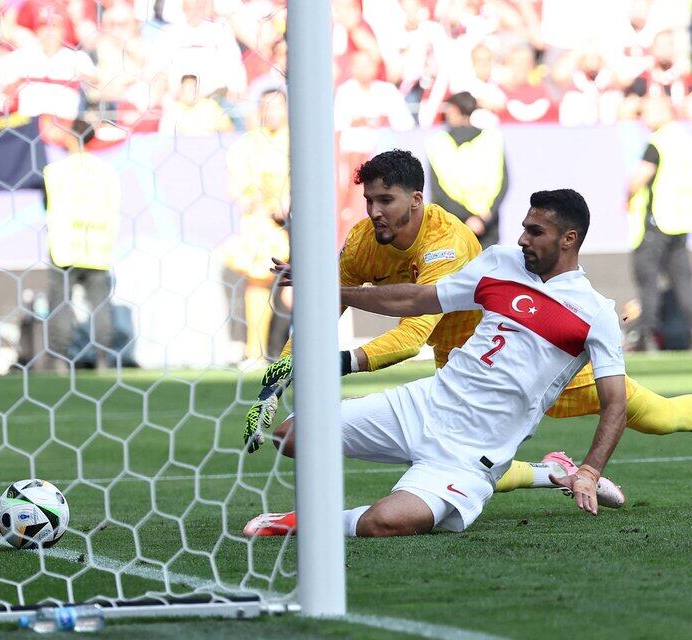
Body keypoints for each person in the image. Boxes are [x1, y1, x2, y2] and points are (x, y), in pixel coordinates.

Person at [244, 150, 692, 504]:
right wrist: (276, 381)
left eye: (384, 200)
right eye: (367, 200)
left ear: (416, 200)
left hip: (544, 364)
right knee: (469, 461)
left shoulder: (450, 246)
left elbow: (414, 323)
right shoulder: (370, 239)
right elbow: (327, 307)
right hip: (469, 372)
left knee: (658, 415)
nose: (372, 212)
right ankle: (551, 474)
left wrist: (340, 362)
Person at [245, 188, 629, 538]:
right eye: (524, 228)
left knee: (385, 522)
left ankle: (304, 524)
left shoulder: (595, 314)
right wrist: (329, 287)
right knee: (291, 436)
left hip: (471, 450)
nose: (522, 239)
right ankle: (550, 472)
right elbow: (414, 300)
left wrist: (591, 471)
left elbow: (615, 403)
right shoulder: (499, 264)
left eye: (535, 232)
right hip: (426, 404)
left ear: (569, 239)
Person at [626, 95, 692, 352]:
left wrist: (627, 195)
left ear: (663, 111)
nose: (643, 118)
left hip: (657, 220)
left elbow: (640, 178)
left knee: (647, 280)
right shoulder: (683, 139)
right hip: (682, 220)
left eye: (647, 112)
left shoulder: (657, 142)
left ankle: (646, 337)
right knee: (683, 280)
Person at [217, 88, 290, 366]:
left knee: (294, 290)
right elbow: (238, 188)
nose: (272, 113)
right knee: (259, 284)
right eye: (267, 107)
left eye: (278, 107)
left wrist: (290, 202)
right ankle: (256, 351)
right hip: (263, 227)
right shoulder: (248, 145)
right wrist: (259, 202)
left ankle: (285, 352)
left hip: (301, 225)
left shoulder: (298, 142)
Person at [43, 119, 121, 372]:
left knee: (61, 305)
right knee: (100, 305)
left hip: (65, 246)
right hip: (97, 247)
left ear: (70, 137)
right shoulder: (106, 171)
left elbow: (47, 203)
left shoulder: (55, 170)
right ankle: (103, 360)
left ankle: (59, 361)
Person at [426, 92, 509, 249]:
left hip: (453, 227)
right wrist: (483, 218)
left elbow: (438, 192)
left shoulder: (437, 143)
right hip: (487, 225)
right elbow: (504, 184)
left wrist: (465, 219)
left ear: (454, 110)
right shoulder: (492, 139)